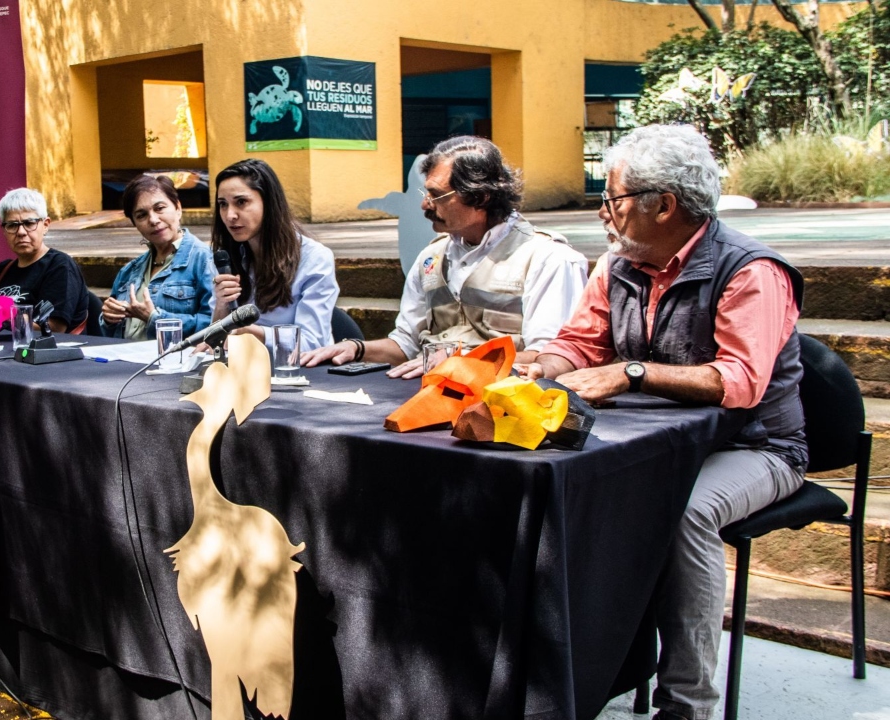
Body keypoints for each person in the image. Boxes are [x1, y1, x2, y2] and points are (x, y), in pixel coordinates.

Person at [519, 124, 806, 720]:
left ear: (664, 205)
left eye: (614, 199)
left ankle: (687, 705)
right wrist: (539, 365)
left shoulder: (750, 270)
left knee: (687, 511)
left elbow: (739, 382)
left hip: (759, 447)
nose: (604, 212)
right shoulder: (617, 265)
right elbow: (579, 345)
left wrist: (630, 373)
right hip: (653, 443)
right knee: (552, 486)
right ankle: (576, 684)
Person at [301, 136, 587, 378]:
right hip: (426, 393)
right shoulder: (432, 256)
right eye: (425, 193)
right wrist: (357, 348)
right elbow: (405, 345)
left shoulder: (548, 259)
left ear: (480, 197)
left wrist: (462, 362)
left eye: (437, 195)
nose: (425, 204)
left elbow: (550, 359)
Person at [209, 159, 338, 353]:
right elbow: (215, 342)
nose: (230, 215)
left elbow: (313, 342)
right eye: (223, 204)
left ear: (269, 203)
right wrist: (221, 306)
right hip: (245, 369)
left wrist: (251, 331)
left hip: (302, 373)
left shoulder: (315, 258)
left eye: (241, 202)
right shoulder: (225, 258)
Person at [0, 188, 89, 334]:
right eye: (12, 225)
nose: (21, 232)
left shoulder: (60, 266)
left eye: (29, 223)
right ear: (4, 230)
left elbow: (54, 327)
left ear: (45, 225)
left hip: (40, 352)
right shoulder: (1, 270)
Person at [100, 174, 216, 338]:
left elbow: (215, 325)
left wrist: (156, 318)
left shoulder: (204, 260)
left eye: (159, 208)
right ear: (135, 224)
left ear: (178, 208)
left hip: (176, 361)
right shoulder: (129, 271)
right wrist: (108, 319)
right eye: (141, 215)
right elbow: (110, 334)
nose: (153, 220)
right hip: (125, 360)